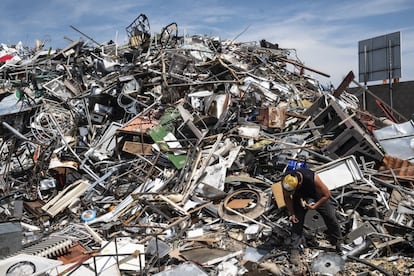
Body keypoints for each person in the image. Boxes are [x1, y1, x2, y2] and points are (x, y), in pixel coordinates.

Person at [282, 168, 342, 252]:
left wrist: (315, 206)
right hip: (299, 196)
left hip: (316, 194)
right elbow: (287, 197)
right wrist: (292, 213)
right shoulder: (287, 181)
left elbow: (327, 194)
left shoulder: (311, 178)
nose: (291, 192)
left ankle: (338, 242)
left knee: (330, 216)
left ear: (299, 183)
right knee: (296, 220)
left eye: (293, 190)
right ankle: (294, 249)